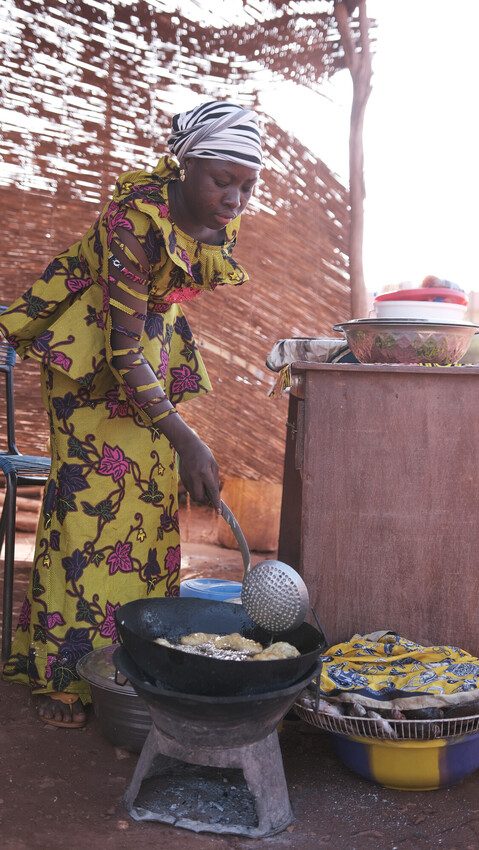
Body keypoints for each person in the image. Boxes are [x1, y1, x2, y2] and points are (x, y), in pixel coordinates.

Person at [0, 100, 262, 727]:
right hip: (93, 362)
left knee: (144, 512)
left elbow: (158, 309)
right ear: (184, 162)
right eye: (221, 180)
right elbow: (119, 348)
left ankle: (131, 662)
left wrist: (177, 434)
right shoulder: (131, 219)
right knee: (87, 518)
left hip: (151, 352)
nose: (234, 198)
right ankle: (64, 673)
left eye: (247, 185)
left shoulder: (216, 221)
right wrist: (188, 436)